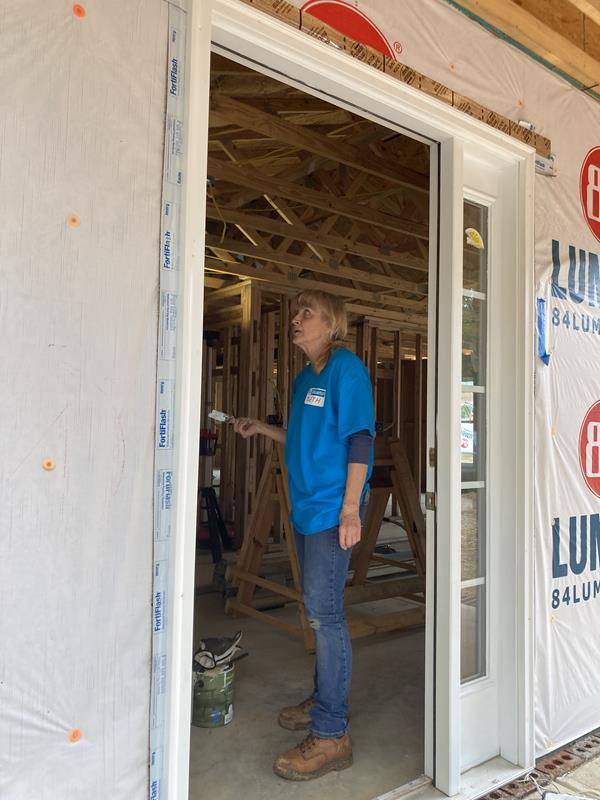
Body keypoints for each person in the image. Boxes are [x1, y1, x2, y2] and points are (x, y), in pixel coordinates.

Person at [232, 289, 375, 781]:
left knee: (325, 615)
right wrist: (262, 430)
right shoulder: (301, 378)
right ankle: (323, 700)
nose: (295, 319)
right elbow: (302, 435)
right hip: (308, 508)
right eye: (296, 312)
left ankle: (332, 733)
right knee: (317, 612)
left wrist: (351, 510)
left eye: (305, 313)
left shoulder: (345, 369)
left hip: (335, 510)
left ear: (331, 323)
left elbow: (360, 439)